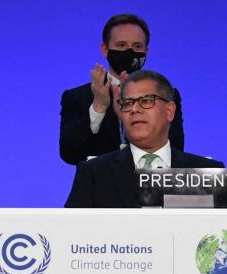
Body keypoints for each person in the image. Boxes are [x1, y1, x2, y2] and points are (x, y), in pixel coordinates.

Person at [65, 70, 220, 207]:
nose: (134, 109)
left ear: (169, 111)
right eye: (127, 103)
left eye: (146, 101)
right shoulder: (94, 173)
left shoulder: (208, 173)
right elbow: (69, 232)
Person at [59, 14, 184, 164]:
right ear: (105, 49)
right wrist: (98, 107)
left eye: (137, 46)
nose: (130, 52)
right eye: (121, 45)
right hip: (99, 186)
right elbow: (70, 154)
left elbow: (176, 153)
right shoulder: (78, 97)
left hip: (150, 185)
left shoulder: (166, 96)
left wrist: (128, 115)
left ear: (146, 52)